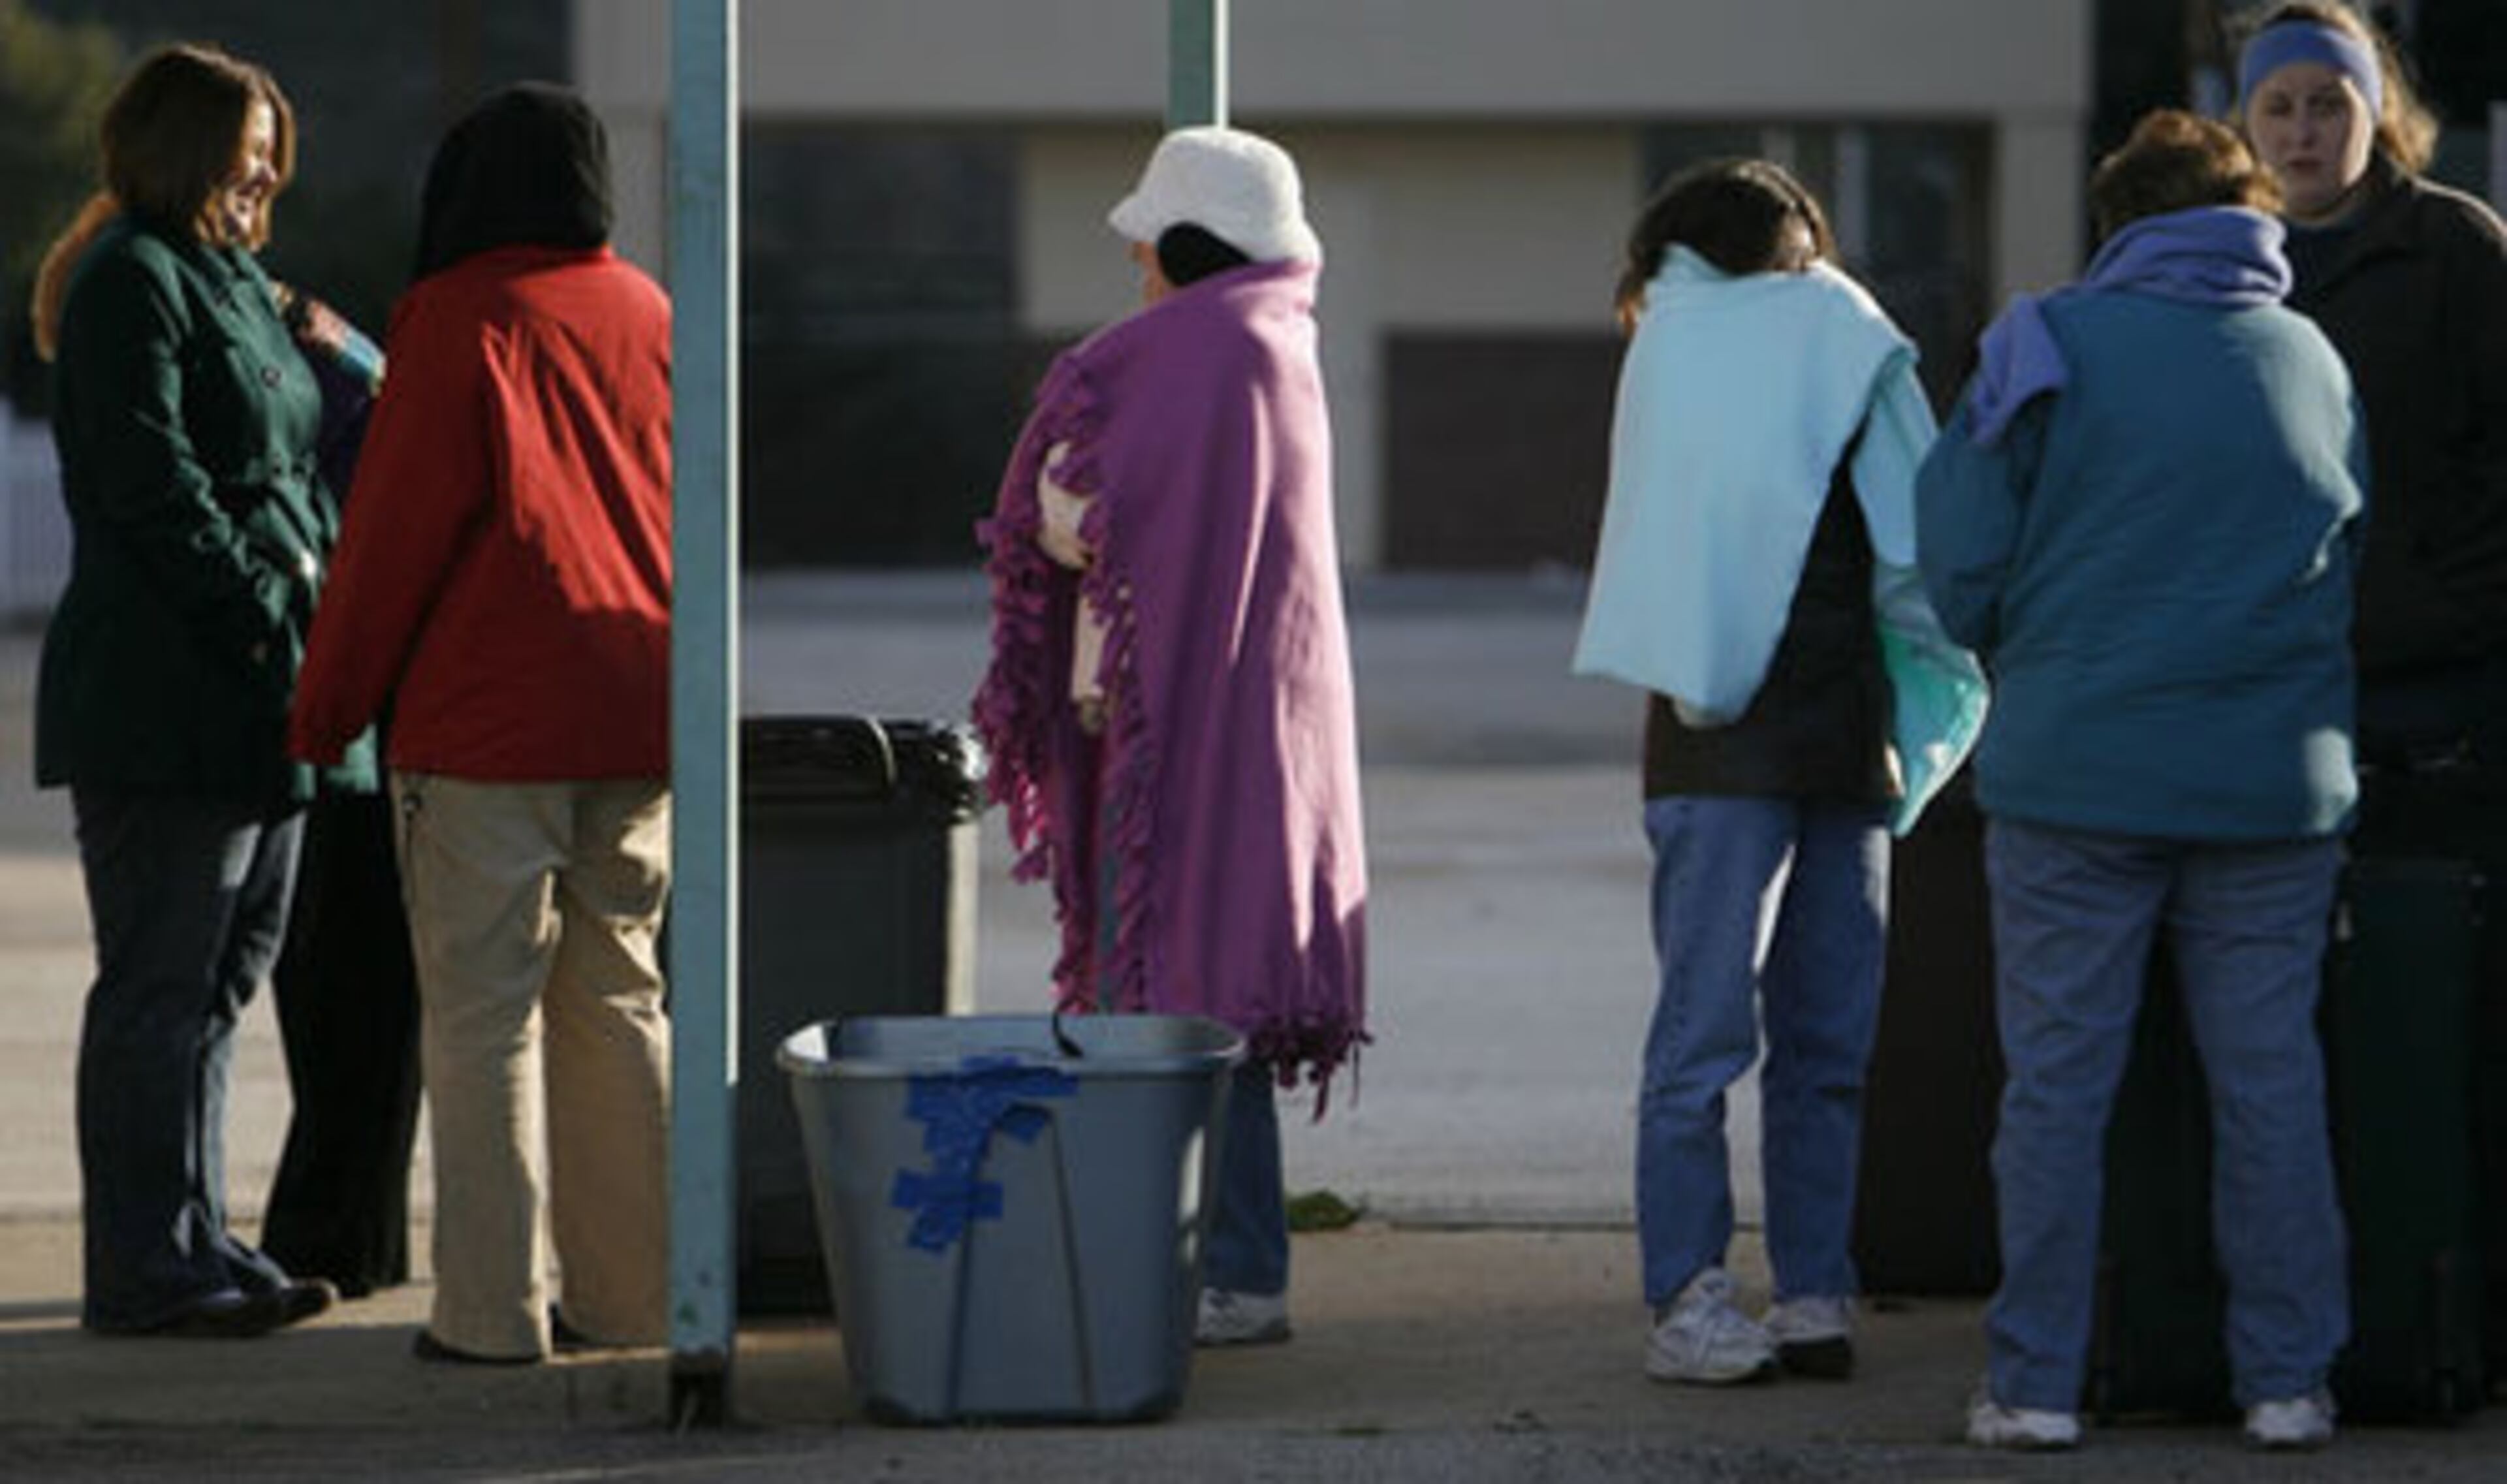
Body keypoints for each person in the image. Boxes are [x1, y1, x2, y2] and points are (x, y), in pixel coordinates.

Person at [1915, 110, 2364, 1453]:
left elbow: (1956, 558)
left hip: (2076, 774)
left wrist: (2032, 647)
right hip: (2274, 785)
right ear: (2248, 217)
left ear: (2117, 224)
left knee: (2057, 1087)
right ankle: (2288, 1382)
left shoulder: (2046, 342)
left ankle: (2037, 1384)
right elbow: (2349, 550)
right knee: (2270, 1085)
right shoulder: (2311, 355)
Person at [1570, 158, 1985, 1387]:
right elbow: (1919, 539)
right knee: (1826, 1039)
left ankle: (1690, 1296)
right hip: (1843, 729)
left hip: (1703, 739)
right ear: (1800, 241)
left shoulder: (1664, 343)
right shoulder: (1841, 330)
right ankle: (1813, 1291)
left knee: (1698, 1035)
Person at [287, 82, 674, 1366]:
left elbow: (389, 542)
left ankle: (491, 1317)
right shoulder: (652, 312)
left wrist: (326, 709)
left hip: (484, 729)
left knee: (481, 1018)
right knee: (619, 1002)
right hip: (638, 714)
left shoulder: (455, 320)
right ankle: (630, 1300)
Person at [973, 125, 1367, 1348]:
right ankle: (1218, 1259)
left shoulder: (1182, 353)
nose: (1137, 268)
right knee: (1214, 984)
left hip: (1175, 735)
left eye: (1150, 246)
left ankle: (1227, 1269)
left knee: (1187, 991)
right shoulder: (1278, 344)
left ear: (1191, 248)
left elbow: (1079, 514)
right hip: (1254, 717)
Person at [28, 41, 362, 1338]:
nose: (264, 176)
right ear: (177, 152)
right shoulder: (134, 283)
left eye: (273, 154)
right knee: (160, 986)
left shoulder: (232, 279)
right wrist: (262, 606)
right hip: (176, 694)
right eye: (243, 154)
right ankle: (143, 1268)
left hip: (271, 684)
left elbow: (310, 442)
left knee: (221, 985)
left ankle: (193, 1234)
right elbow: (151, 486)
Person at [257, 289, 424, 1304]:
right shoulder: (347, 349)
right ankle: (351, 1228)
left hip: (352, 678)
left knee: (340, 971)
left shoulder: (324, 348)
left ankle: (335, 1228)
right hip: (372, 678)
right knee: (359, 976)